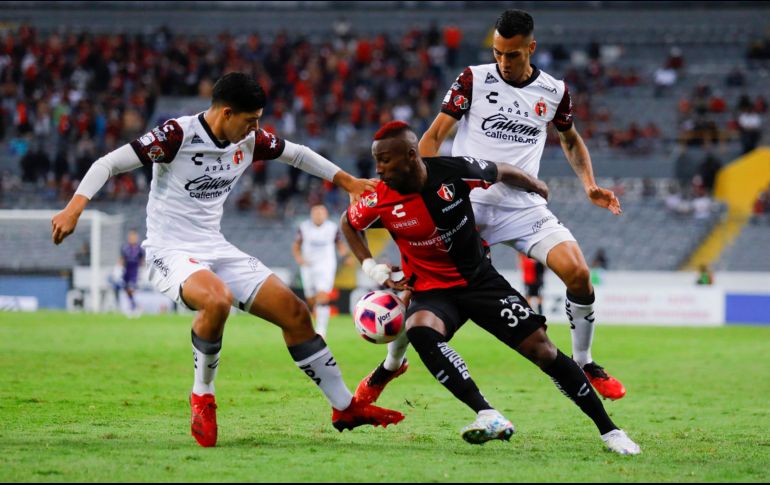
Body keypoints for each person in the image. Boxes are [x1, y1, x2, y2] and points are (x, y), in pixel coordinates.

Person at [51, 72, 404, 448]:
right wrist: (75, 206)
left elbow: (297, 154)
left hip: (216, 247)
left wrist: (348, 182)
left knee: (296, 313)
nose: (256, 128)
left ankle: (344, 406)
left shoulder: (249, 140)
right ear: (226, 112)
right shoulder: (176, 136)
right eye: (250, 120)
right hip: (169, 250)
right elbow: (108, 163)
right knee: (216, 300)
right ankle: (202, 395)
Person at [342, 121, 639, 454]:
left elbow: (499, 171)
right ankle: (487, 414)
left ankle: (610, 431)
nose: (378, 170)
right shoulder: (379, 199)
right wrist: (371, 266)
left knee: (543, 350)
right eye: (376, 160)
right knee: (420, 330)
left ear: (411, 155)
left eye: (385, 160)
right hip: (433, 292)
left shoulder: (453, 172)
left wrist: (534, 184)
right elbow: (349, 224)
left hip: (481, 283)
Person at [418, 9, 626, 400]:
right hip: (469, 205)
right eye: (498, 52)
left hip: (523, 207)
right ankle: (389, 367)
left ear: (531, 48)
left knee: (578, 273)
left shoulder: (554, 91)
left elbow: (569, 138)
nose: (503, 62)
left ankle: (584, 362)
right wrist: (435, 193)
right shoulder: (472, 79)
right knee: (427, 288)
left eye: (512, 55)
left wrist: (590, 184)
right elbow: (431, 140)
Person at [292, 204, 349, 338]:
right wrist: (299, 258)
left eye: (321, 213)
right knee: (311, 299)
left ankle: (321, 331)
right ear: (311, 215)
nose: (318, 216)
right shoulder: (304, 227)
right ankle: (314, 321)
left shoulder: (332, 228)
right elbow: (296, 245)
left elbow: (340, 244)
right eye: (316, 213)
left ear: (326, 215)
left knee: (323, 295)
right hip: (308, 266)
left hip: (326, 265)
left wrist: (345, 256)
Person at [120, 228, 145, 317]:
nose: (132, 238)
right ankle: (133, 306)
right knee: (127, 290)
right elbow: (122, 259)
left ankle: (135, 307)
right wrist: (119, 269)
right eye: (131, 236)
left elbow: (142, 260)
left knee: (132, 289)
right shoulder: (125, 247)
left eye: (134, 236)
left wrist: (142, 271)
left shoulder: (140, 249)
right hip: (127, 270)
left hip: (135, 271)